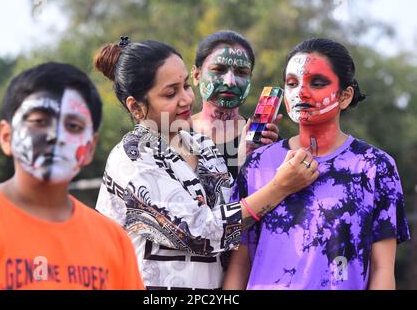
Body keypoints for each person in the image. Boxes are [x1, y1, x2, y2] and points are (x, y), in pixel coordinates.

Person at [94, 37, 318, 289]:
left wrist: (245, 158)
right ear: (136, 107)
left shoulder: (199, 145)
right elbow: (199, 231)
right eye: (170, 93)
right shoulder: (132, 158)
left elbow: (230, 208)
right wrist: (280, 187)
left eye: (186, 86)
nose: (186, 99)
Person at [224, 38, 410, 290]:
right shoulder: (258, 163)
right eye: (292, 83)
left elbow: (382, 269)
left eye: (317, 83)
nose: (301, 91)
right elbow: (239, 264)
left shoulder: (375, 166)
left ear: (345, 96)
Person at [0, 62, 144, 290]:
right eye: (39, 121)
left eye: (73, 125)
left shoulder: (114, 241)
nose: (56, 136)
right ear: (6, 136)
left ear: (90, 147)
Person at [191, 30, 282, 179]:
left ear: (250, 79)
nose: (230, 81)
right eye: (219, 70)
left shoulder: (265, 139)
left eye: (241, 72)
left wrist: (262, 158)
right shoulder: (171, 135)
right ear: (196, 75)